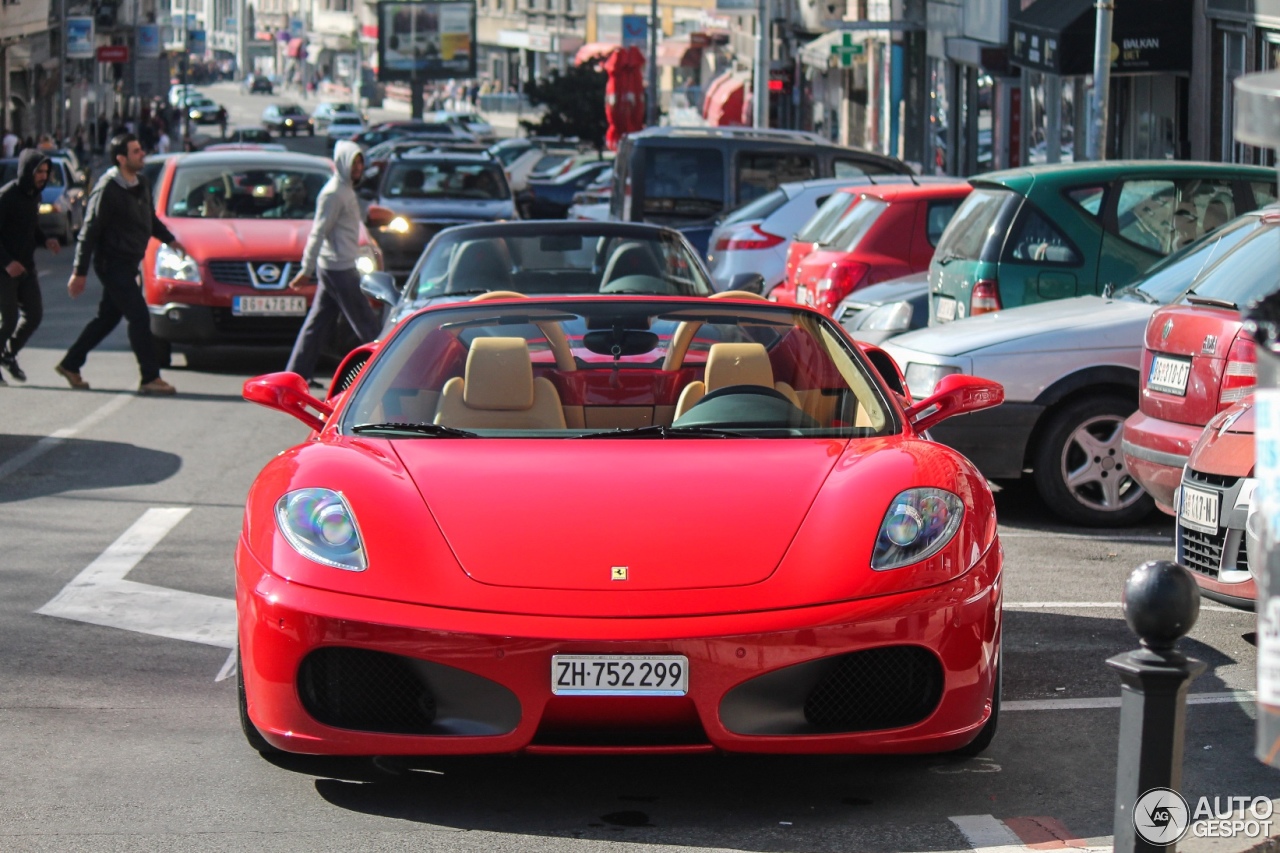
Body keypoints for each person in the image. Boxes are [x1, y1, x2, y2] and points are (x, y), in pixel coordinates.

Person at [56, 133, 186, 395]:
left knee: (107, 318)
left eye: (141, 149)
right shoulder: (107, 189)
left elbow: (148, 219)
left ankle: (71, 363)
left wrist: (170, 240)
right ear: (121, 158)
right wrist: (79, 272)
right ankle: (150, 377)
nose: (142, 154)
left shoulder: (141, 183)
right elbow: (89, 232)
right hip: (112, 263)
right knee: (138, 316)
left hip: (129, 263)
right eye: (136, 151)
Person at [284, 140, 379, 385]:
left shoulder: (345, 189)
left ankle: (296, 375)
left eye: (360, 162)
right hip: (339, 268)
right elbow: (318, 232)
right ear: (342, 162)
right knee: (367, 325)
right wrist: (306, 269)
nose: (358, 167)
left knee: (318, 323)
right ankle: (384, 375)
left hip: (338, 264)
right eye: (353, 162)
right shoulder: (333, 192)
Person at [0, 150, 61, 385]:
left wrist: (46, 240)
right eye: (39, 172)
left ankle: (8, 354)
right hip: (4, 269)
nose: (43, 177)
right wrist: (6, 262)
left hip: (26, 267)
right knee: (9, 320)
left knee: (34, 315)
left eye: (46, 172)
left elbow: (31, 227)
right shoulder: (7, 197)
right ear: (27, 172)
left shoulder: (35, 196)